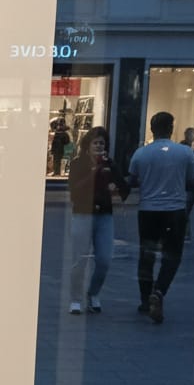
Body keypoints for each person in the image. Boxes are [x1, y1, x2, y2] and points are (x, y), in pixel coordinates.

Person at [126, 111, 194, 324]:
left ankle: (144, 300)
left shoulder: (141, 153)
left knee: (146, 255)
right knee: (172, 256)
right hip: (175, 211)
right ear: (171, 128)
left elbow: (132, 180)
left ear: (151, 129)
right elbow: (193, 182)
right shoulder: (185, 153)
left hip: (148, 211)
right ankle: (159, 291)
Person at [67, 126, 129, 315]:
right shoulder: (78, 164)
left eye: (102, 143)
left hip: (105, 216)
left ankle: (93, 293)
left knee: (104, 259)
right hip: (83, 214)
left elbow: (124, 189)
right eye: (95, 143)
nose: (99, 146)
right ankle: (75, 299)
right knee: (80, 259)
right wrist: (94, 172)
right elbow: (74, 191)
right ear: (88, 145)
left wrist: (115, 189)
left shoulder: (111, 165)